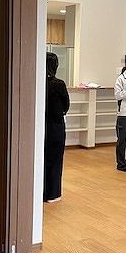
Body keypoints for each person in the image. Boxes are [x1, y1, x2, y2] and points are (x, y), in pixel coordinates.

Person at [44, 52, 70, 203]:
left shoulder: (37, 83)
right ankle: (52, 193)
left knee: (42, 158)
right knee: (55, 159)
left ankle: (40, 191)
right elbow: (66, 106)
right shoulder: (59, 84)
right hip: (56, 126)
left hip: (41, 125)